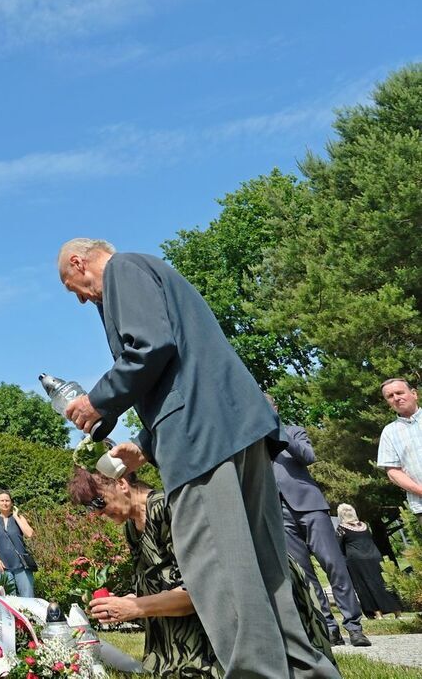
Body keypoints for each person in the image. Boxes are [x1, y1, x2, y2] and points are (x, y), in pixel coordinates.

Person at [56, 238, 339, 679]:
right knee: (265, 570)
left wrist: (98, 401)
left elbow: (150, 346)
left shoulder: (123, 270)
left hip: (199, 441)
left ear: (79, 262)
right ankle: (307, 672)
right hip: (236, 430)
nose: (78, 297)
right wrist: (146, 444)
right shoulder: (153, 271)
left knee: (220, 572)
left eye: (72, 286)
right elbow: (186, 366)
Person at [69, 467, 333, 677]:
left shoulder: (167, 508)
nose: (96, 513)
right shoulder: (132, 527)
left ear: (122, 483)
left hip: (255, 593)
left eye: (98, 502)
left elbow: (201, 591)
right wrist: (126, 602)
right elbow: (157, 583)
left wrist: (137, 607)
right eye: (90, 507)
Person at [271, 414, 369, 646]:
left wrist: (276, 429)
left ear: (274, 409)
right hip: (276, 511)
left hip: (310, 506)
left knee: (334, 564)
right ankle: (327, 627)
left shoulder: (292, 430)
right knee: (304, 573)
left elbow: (308, 456)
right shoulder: (250, 440)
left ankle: (354, 626)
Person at [336, 504, 403, 620]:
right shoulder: (364, 525)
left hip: (357, 561)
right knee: (384, 584)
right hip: (375, 557)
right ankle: (397, 611)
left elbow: (338, 547)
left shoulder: (342, 528)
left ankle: (378, 613)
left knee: (366, 586)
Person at [376, 378, 422, 523]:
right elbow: (393, 472)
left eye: (399, 392)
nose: (396, 398)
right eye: (390, 396)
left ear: (414, 394)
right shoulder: (389, 433)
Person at [0, 490, 36, 597]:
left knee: (28, 599)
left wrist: (16, 517)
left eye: (7, 500)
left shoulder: (19, 518)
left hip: (22, 566)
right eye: (2, 500)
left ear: (11, 502)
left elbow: (29, 534)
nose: (5, 503)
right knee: (7, 603)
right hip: (3, 567)